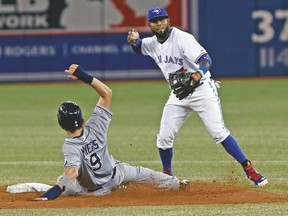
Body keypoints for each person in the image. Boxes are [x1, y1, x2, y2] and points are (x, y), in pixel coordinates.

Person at [127, 6, 268, 186]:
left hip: (201, 90)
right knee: (163, 138)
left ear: (168, 20)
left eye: (162, 19)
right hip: (178, 94)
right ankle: (167, 176)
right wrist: (133, 41)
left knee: (218, 132)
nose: (159, 23)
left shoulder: (183, 38)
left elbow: (206, 59)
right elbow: (140, 47)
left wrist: (198, 74)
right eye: (155, 21)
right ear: (150, 25)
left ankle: (250, 169)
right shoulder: (152, 43)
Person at [34, 64, 189, 201]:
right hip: (116, 176)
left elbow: (73, 172)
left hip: (96, 192)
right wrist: (83, 75)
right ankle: (177, 184)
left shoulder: (70, 147)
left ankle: (110, 189)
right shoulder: (95, 125)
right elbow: (107, 93)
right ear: (82, 118)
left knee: (64, 180)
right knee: (143, 173)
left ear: (61, 124)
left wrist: (54, 191)